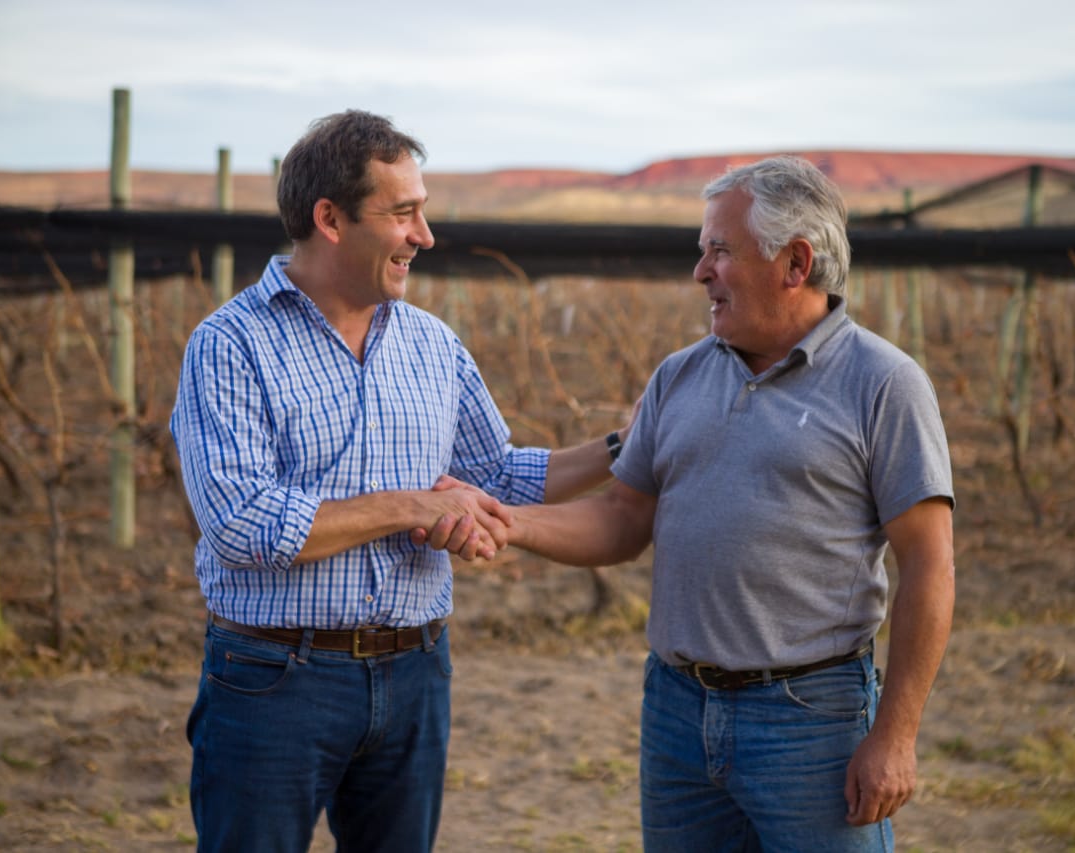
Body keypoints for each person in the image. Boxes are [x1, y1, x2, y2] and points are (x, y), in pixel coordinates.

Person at [168, 109, 628, 852]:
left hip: (416, 672)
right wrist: (413, 504)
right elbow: (243, 525)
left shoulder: (431, 343)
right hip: (274, 679)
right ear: (331, 219)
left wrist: (622, 445)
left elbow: (497, 474)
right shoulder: (230, 344)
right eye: (404, 213)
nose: (425, 235)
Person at [502, 155, 955, 850]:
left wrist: (895, 734)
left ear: (795, 263)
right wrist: (510, 522)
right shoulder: (678, 376)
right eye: (701, 251)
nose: (700, 272)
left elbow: (928, 564)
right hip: (678, 713)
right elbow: (624, 518)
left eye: (720, 250)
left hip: (811, 720)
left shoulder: (884, 383)